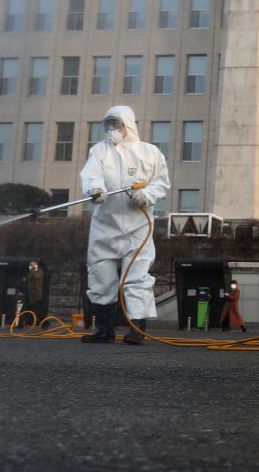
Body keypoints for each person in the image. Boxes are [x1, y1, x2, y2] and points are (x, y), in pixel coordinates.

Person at [79, 105, 169, 345]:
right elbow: (91, 175)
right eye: (108, 124)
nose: (111, 129)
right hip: (104, 227)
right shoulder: (99, 151)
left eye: (116, 124)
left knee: (137, 279)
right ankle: (104, 330)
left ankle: (137, 330)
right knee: (100, 276)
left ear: (128, 125)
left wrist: (146, 195)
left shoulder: (149, 153)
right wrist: (94, 190)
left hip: (137, 228)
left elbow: (161, 183)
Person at [23, 260, 45, 326]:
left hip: (36, 294)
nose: (30, 266)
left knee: (36, 309)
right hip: (29, 294)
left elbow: (36, 276)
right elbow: (27, 278)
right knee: (28, 309)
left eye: (32, 265)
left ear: (36, 265)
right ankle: (27, 322)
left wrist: (33, 269)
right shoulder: (30, 272)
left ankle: (40, 322)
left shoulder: (39, 272)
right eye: (30, 265)